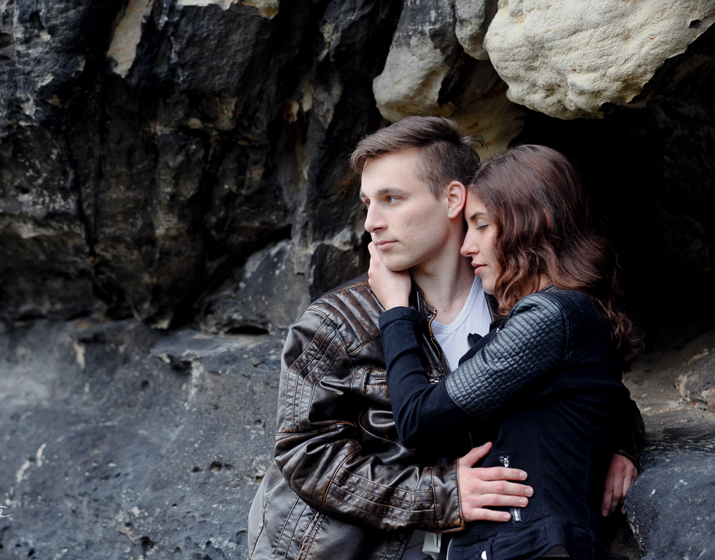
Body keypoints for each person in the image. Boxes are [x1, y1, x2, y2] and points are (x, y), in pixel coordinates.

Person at [248, 119, 641, 560]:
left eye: (391, 199)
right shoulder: (336, 322)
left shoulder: (513, 300)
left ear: (453, 198)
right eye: (367, 203)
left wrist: (620, 445)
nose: (371, 223)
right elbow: (305, 454)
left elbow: (591, 386)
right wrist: (440, 495)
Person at [370, 144, 643, 560]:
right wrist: (623, 443)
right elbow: (612, 401)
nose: (466, 246)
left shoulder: (551, 314)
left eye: (481, 225)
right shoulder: (549, 316)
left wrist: (394, 311)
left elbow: (418, 420)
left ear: (534, 224)